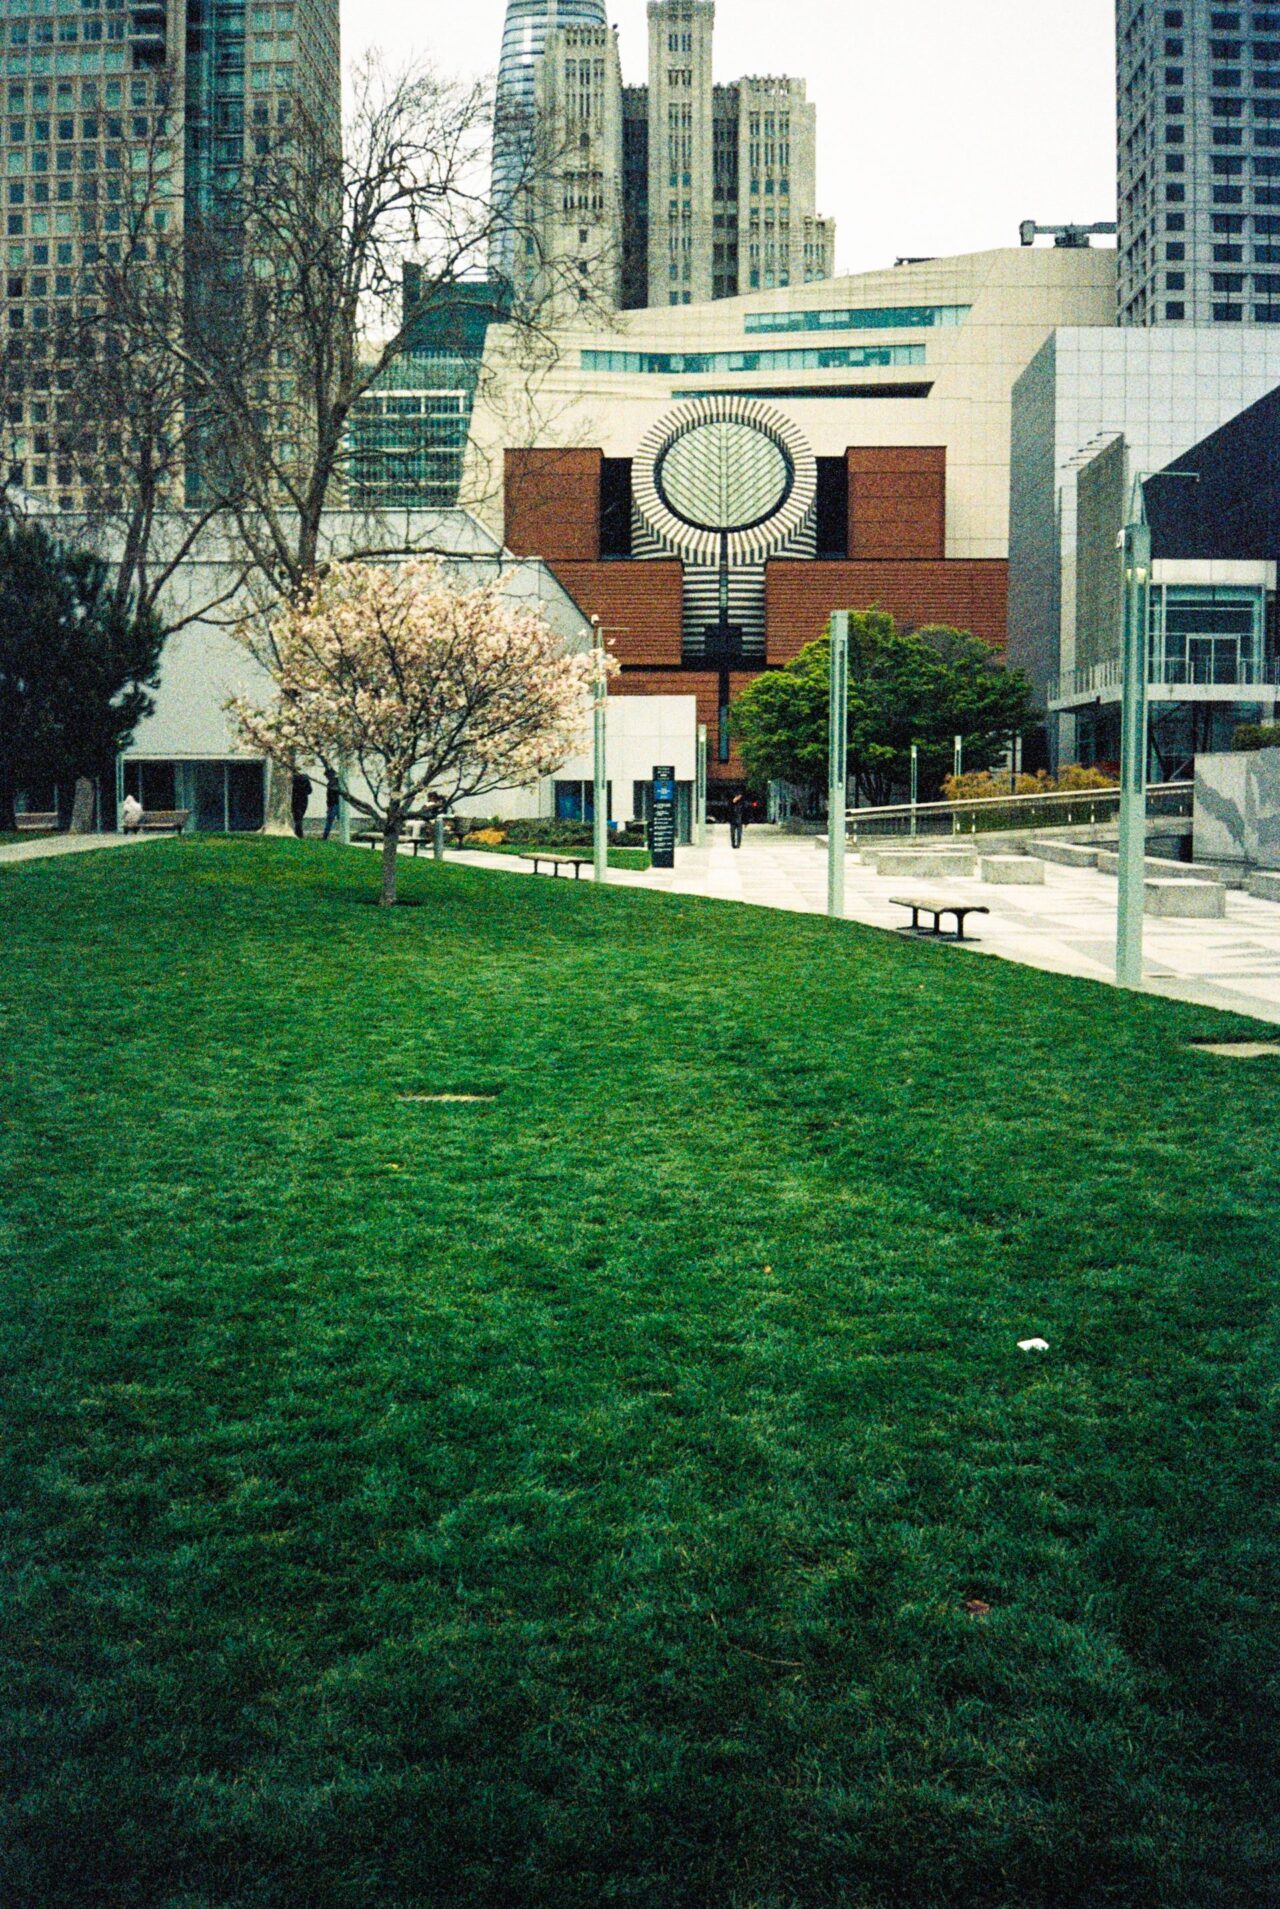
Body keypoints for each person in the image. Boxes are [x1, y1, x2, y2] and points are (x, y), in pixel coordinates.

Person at [321, 768, 341, 841]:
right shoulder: (330, 783)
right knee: (329, 821)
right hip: (332, 804)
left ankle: (325, 837)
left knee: (330, 821)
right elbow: (329, 796)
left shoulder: (336, 782)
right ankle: (325, 837)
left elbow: (331, 795)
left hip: (336, 804)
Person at [290, 770, 311, 839]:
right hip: (304, 800)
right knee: (300, 817)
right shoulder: (306, 780)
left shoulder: (294, 780)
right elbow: (310, 791)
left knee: (297, 818)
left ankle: (299, 834)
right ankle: (299, 833)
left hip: (295, 800)